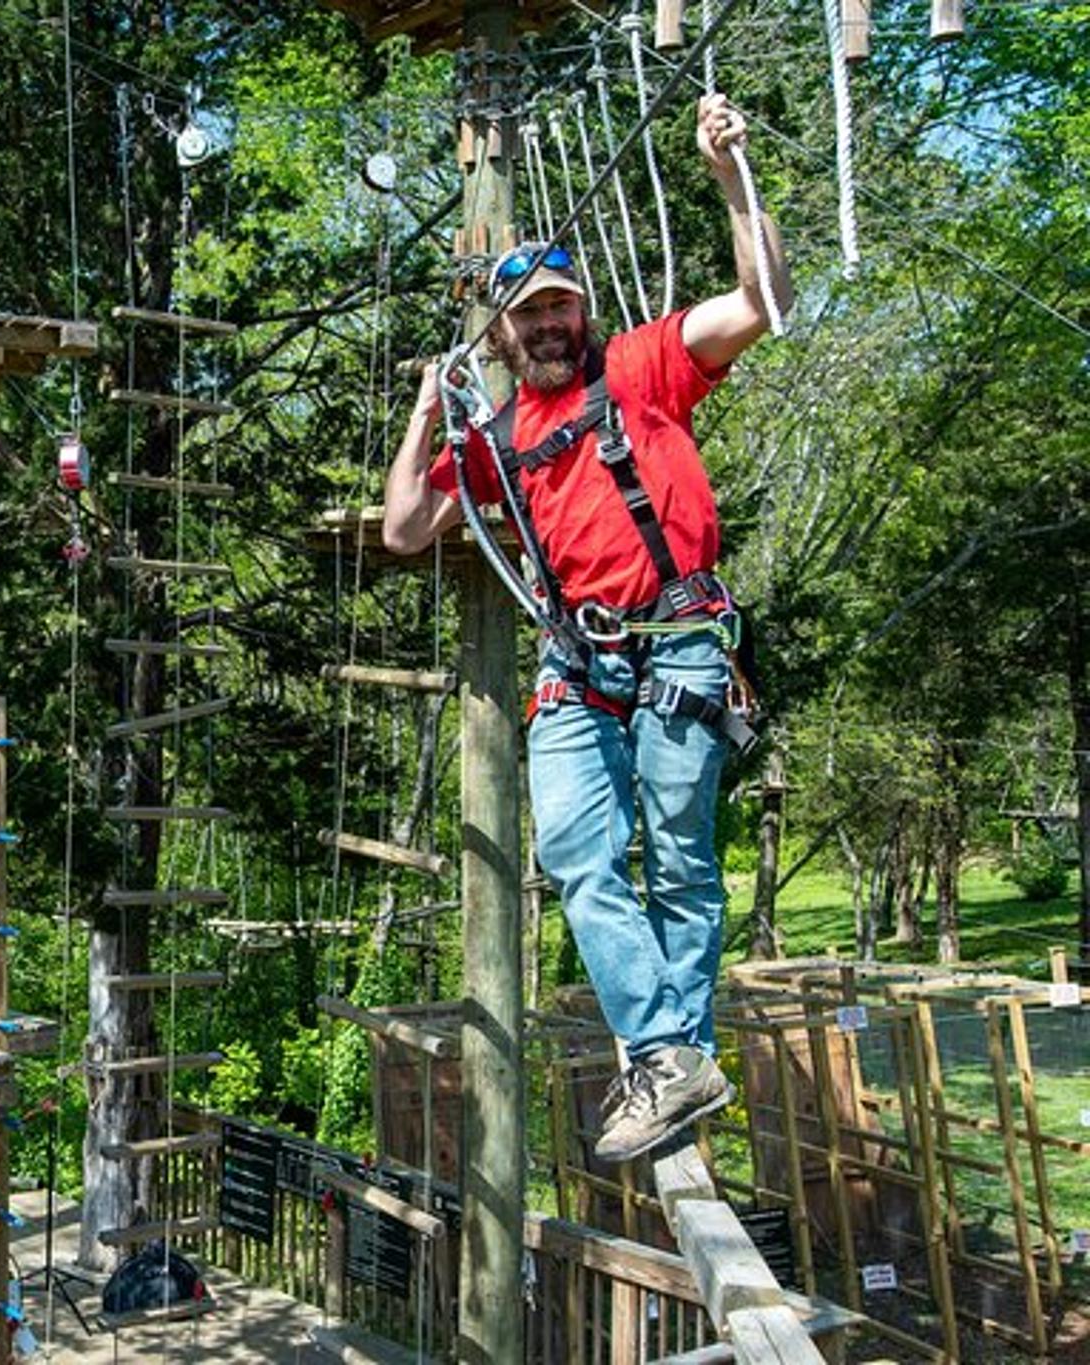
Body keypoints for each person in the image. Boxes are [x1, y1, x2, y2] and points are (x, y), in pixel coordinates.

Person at [380, 93, 793, 1162]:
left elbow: (764, 301)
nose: (550, 325)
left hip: (680, 644)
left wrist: (729, 180)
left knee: (682, 866)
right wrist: (428, 413)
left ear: (583, 313)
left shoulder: (643, 369)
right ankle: (666, 1053)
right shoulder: (497, 430)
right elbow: (403, 528)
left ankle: (670, 1065)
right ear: (504, 337)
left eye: (562, 307)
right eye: (529, 317)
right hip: (579, 660)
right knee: (574, 849)